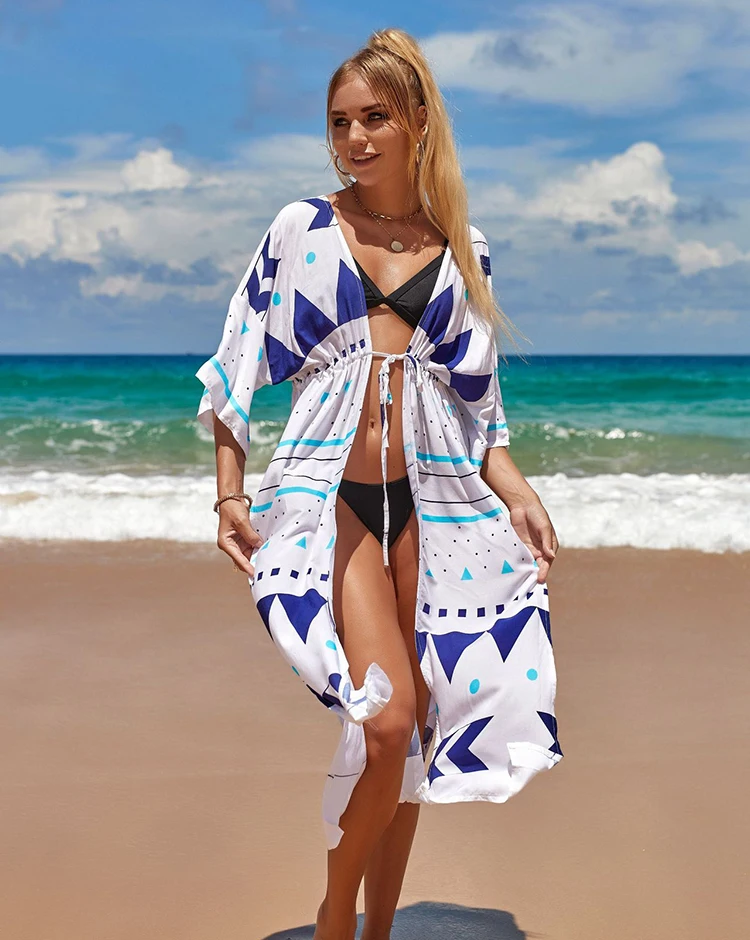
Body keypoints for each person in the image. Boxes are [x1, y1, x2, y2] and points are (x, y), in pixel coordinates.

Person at [196, 27, 562, 940]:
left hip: (431, 512)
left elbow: (480, 415)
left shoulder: (463, 248)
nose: (354, 139)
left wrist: (520, 494)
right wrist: (229, 493)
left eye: (374, 119)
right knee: (387, 722)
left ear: (417, 123)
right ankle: (336, 916)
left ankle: (380, 927)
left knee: (417, 735)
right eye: (339, 122)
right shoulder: (304, 229)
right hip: (337, 508)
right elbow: (238, 358)